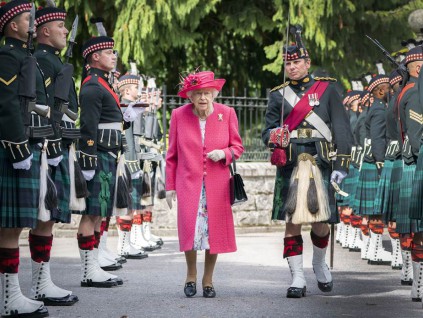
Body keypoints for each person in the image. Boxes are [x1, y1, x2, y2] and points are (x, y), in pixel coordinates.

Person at [262, 36, 353, 298]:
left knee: (321, 220)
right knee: (292, 220)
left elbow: (342, 129)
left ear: (307, 62)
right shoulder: (278, 95)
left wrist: (342, 164)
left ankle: (318, 262)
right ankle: (297, 277)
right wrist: (273, 136)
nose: (292, 67)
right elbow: (265, 132)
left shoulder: (328, 90)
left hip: (320, 160)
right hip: (290, 163)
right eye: (288, 63)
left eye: (297, 62)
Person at [165, 70, 244, 298]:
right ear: (190, 96)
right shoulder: (179, 115)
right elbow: (172, 156)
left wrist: (225, 153)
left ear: (214, 94)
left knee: (213, 233)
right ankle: (191, 275)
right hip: (189, 184)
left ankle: (208, 280)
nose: (202, 98)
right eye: (198, 93)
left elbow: (238, 147)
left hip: (217, 186)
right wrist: (170, 186)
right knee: (191, 230)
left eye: (207, 93)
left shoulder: (227, 113)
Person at [0, 1, 50, 316]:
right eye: (27, 18)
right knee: (8, 227)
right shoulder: (8, 55)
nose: (33, 23)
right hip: (13, 148)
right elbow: (5, 103)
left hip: (25, 143)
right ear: (12, 25)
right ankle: (8, 299)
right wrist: (18, 146)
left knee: (15, 226)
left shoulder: (24, 55)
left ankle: (12, 294)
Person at [29, 4, 80, 306]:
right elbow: (42, 105)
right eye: (60, 26)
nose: (65, 31)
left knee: (47, 218)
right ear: (45, 30)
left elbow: (69, 109)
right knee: (43, 217)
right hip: (46, 143)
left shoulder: (55, 63)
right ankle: (39, 283)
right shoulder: (41, 63)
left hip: (56, 142)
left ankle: (41, 281)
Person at [75, 35, 125, 287]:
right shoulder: (93, 85)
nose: (114, 56)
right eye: (109, 52)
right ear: (95, 57)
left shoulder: (104, 84)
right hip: (98, 155)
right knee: (91, 213)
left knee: (99, 213)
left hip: (109, 154)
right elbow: (88, 127)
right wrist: (88, 160)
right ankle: (87, 271)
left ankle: (94, 266)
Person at [354, 74, 392, 266]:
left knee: (372, 212)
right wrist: (381, 162)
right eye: (388, 88)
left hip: (370, 161)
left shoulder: (375, 108)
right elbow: (377, 138)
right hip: (376, 162)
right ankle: (375, 252)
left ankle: (371, 250)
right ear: (379, 91)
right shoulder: (379, 110)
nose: (390, 91)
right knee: (376, 211)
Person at [397, 46, 423, 302]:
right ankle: (418, 284)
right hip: (417, 161)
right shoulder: (414, 93)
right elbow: (415, 138)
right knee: (419, 230)